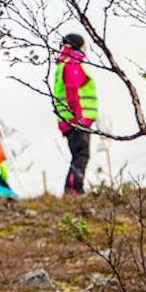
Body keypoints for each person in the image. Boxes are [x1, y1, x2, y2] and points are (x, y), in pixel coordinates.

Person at [52, 32, 98, 196]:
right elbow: (72, 91)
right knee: (81, 155)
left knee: (78, 155)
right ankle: (74, 189)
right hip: (76, 120)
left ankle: (73, 189)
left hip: (68, 120)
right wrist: (78, 118)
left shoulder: (63, 64)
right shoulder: (72, 64)